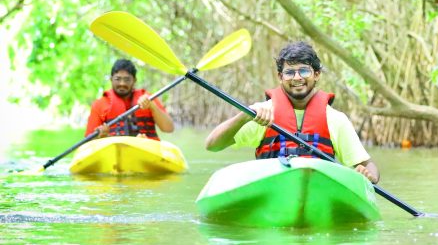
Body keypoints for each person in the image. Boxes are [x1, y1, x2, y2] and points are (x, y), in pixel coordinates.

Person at [205, 41, 380, 183]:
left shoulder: (335, 119)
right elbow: (212, 145)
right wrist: (245, 116)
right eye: (289, 72)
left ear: (317, 74)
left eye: (304, 70)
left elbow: (368, 165)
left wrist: (369, 175)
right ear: (280, 77)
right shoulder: (262, 113)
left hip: (319, 188)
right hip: (273, 187)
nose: (297, 78)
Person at [85, 59, 174, 140]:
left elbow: (169, 128)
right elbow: (88, 141)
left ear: (134, 80)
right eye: (118, 79)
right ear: (111, 79)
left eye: (127, 80)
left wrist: (153, 107)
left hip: (147, 152)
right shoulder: (99, 105)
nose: (122, 83)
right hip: (116, 154)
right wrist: (101, 136)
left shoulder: (148, 98)